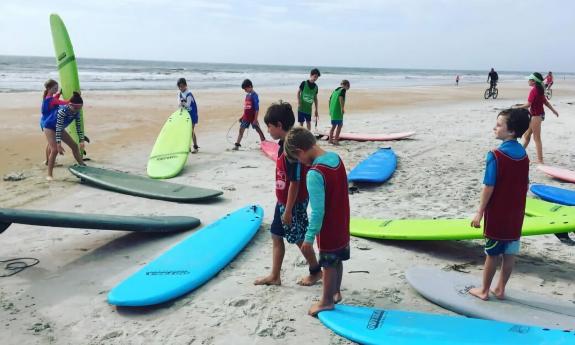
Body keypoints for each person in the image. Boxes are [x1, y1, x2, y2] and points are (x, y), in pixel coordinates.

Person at [284, 127, 350, 316]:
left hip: (328, 227)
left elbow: (318, 211)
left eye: (298, 159)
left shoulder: (315, 173)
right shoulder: (336, 158)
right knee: (337, 259)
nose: (301, 163)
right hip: (342, 221)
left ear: (300, 152)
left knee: (328, 263)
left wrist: (309, 238)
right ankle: (336, 292)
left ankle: (327, 301)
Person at [254, 102, 322, 287]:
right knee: (276, 235)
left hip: (293, 203)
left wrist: (289, 210)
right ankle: (275, 276)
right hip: (283, 201)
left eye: (269, 126)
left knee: (300, 238)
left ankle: (316, 271)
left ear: (279, 125)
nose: (268, 130)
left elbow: (295, 182)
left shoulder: (290, 150)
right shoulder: (283, 144)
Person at [469, 108, 531, 301]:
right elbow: (525, 183)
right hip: (516, 213)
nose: (494, 128)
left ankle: (484, 291)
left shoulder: (495, 155)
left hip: (498, 213)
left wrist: (479, 213)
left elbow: (488, 186)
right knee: (510, 253)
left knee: (492, 253)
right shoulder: (524, 155)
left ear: (511, 131)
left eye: (498, 125)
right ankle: (501, 289)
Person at [42, 92, 86, 180]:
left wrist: (81, 140)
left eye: (80, 108)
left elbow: (78, 127)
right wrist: (58, 144)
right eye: (76, 108)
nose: (78, 110)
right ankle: (49, 174)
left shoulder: (77, 112)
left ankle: (82, 165)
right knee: (54, 150)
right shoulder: (63, 111)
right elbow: (57, 127)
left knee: (74, 146)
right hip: (50, 127)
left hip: (60, 128)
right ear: (70, 105)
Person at [517, 72, 559, 164]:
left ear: (534, 81)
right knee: (527, 136)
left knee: (537, 138)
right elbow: (546, 102)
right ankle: (519, 153)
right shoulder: (540, 90)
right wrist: (553, 111)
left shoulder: (534, 91)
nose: (528, 81)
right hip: (538, 115)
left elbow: (528, 105)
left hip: (536, 116)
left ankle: (540, 161)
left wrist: (517, 107)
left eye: (529, 79)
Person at [41, 79, 69, 165]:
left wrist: (59, 94)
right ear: (49, 88)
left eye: (57, 88)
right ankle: (50, 162)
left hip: (44, 121)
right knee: (52, 146)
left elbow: (54, 100)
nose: (56, 89)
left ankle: (47, 161)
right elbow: (65, 102)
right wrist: (75, 97)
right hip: (49, 123)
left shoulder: (48, 97)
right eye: (55, 88)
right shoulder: (52, 99)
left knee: (50, 143)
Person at [233, 79, 266, 150]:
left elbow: (257, 109)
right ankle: (237, 145)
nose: (245, 90)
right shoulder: (247, 95)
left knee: (258, 130)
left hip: (253, 117)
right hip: (246, 117)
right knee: (241, 130)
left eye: (245, 89)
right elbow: (246, 108)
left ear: (250, 86)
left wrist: (255, 119)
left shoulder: (255, 95)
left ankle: (264, 143)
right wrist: (242, 117)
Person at [177, 78, 199, 153]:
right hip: (185, 114)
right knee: (186, 131)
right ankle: (188, 147)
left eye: (182, 86)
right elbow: (179, 105)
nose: (181, 88)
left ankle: (195, 147)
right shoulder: (179, 93)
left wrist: (182, 103)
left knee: (191, 131)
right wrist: (181, 104)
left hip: (192, 114)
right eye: (179, 86)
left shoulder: (189, 94)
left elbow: (188, 106)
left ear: (185, 85)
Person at [328, 80, 350, 145]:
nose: (348, 88)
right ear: (346, 85)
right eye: (348, 86)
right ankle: (336, 140)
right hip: (338, 111)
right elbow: (341, 98)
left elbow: (329, 100)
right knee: (340, 125)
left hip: (333, 111)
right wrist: (342, 108)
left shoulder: (335, 90)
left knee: (333, 126)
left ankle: (330, 140)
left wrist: (330, 110)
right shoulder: (343, 90)